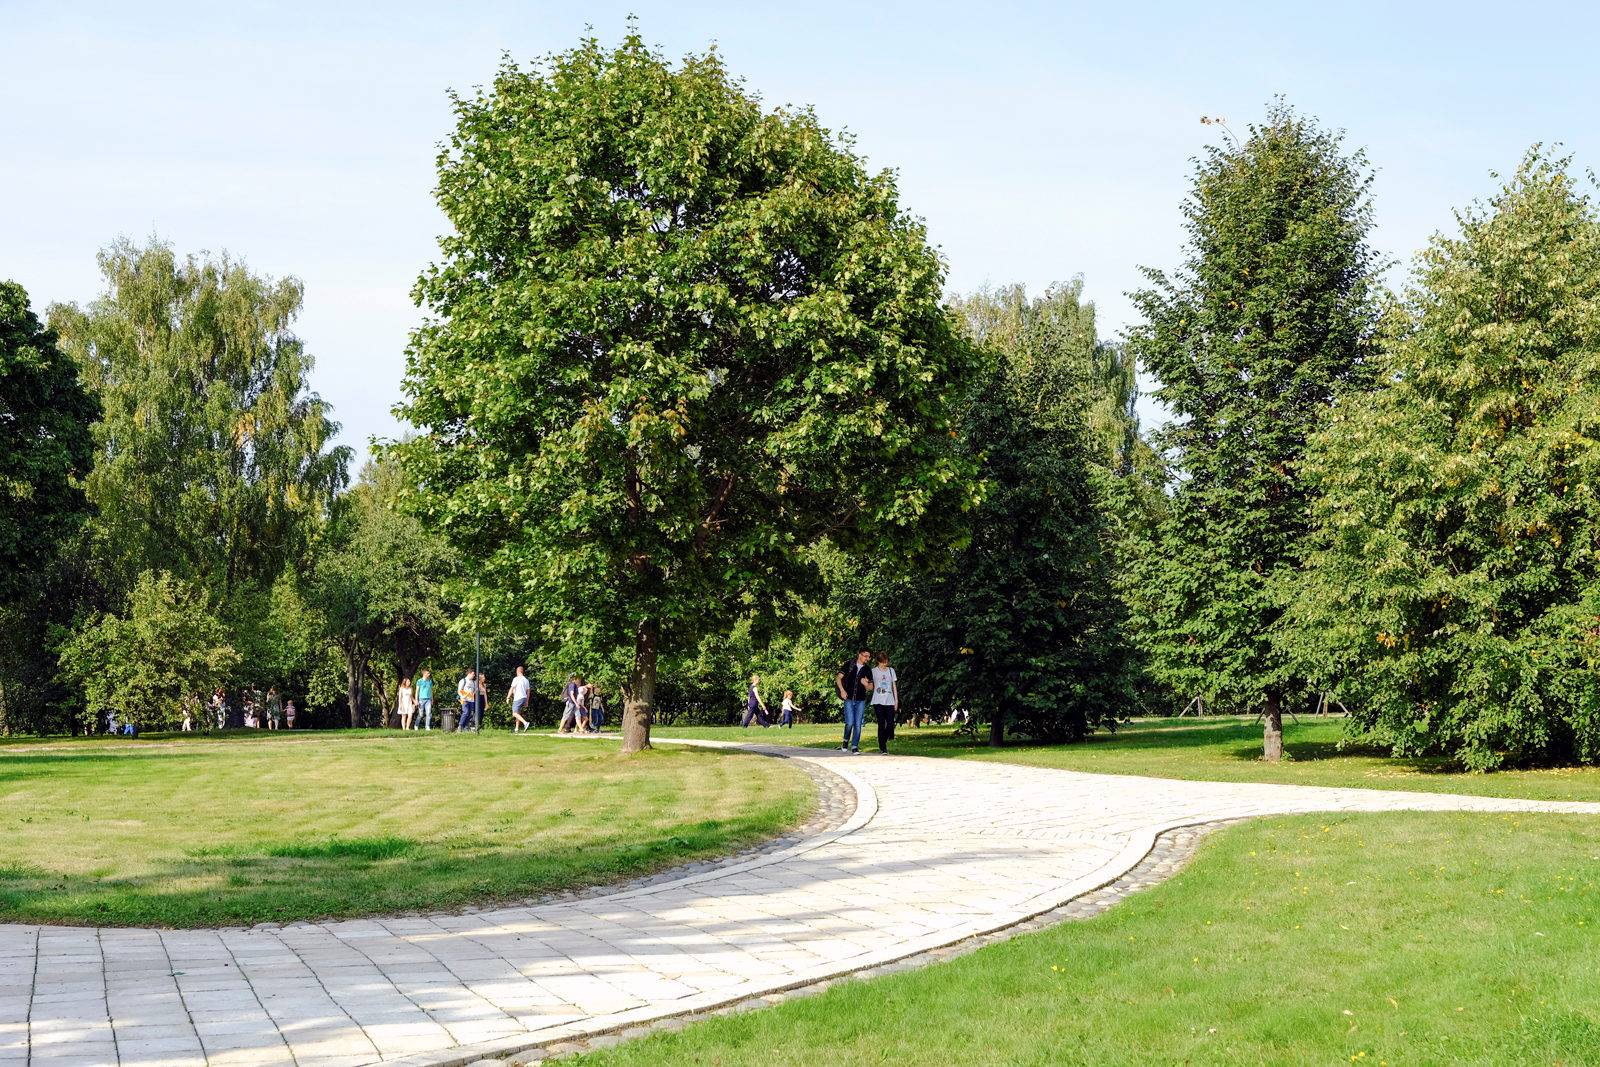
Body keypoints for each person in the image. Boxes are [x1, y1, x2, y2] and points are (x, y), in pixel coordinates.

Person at [836, 649, 874, 754]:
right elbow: (838, 678)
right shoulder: (849, 665)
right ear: (859, 655)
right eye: (865, 656)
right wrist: (842, 691)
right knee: (849, 723)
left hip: (860, 700)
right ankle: (845, 740)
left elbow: (871, 687)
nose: (867, 658)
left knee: (858, 724)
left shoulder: (867, 670)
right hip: (848, 698)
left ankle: (854, 746)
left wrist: (866, 684)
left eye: (869, 657)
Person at [870, 651, 900, 754]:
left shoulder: (891, 671)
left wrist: (896, 700)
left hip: (889, 700)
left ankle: (884, 738)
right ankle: (883, 747)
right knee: (881, 723)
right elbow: (870, 685)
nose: (885, 664)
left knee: (891, 724)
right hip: (878, 700)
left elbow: (894, 686)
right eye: (883, 662)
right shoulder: (873, 671)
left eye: (886, 662)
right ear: (878, 661)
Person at [507, 666, 532, 733]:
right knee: (518, 713)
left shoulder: (516, 679)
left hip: (518, 698)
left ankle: (525, 723)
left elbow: (512, 688)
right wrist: (527, 701)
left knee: (514, 713)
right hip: (524, 698)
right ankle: (516, 729)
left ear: (518, 671)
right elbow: (528, 691)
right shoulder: (526, 680)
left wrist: (508, 697)